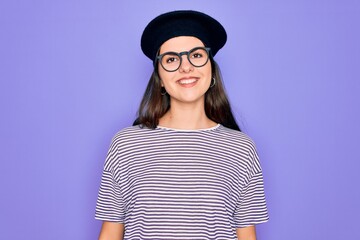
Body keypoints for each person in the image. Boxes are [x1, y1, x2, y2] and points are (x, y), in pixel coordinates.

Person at [95, 10, 269, 240]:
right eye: (171, 59)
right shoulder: (126, 144)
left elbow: (247, 236)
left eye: (196, 55)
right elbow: (110, 233)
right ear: (160, 78)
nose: (185, 67)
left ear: (211, 69)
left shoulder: (241, 149)